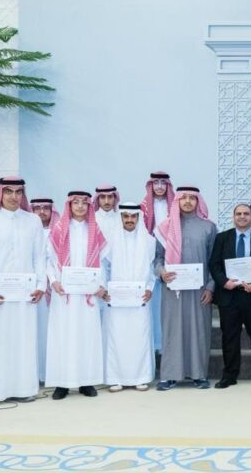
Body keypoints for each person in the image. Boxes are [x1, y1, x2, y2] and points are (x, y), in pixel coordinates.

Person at [0, 177, 47, 407]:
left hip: (25, 295)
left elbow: (39, 257)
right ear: (0, 194)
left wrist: (40, 285)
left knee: (22, 340)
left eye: (18, 192)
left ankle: (23, 389)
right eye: (9, 191)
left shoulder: (33, 221)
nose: (14, 196)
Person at [45, 191, 108, 400]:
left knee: (87, 336)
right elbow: (48, 261)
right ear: (69, 205)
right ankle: (62, 384)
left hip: (87, 296)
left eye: (84, 203)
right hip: (64, 294)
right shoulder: (58, 229)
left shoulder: (95, 230)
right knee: (63, 336)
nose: (80, 206)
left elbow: (103, 262)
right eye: (76, 203)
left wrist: (101, 285)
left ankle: (86, 382)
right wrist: (53, 281)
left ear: (89, 206)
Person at [154, 185, 218, 391]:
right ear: (177, 200)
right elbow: (157, 259)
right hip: (173, 289)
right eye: (184, 198)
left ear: (198, 201)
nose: (188, 201)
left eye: (192, 198)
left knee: (198, 330)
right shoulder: (164, 227)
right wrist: (162, 272)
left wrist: (210, 287)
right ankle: (169, 375)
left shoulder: (208, 227)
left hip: (200, 291)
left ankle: (199, 374)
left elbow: (214, 261)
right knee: (172, 331)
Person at [209, 203, 251, 389]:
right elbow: (214, 264)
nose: (242, 217)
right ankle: (229, 375)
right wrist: (224, 282)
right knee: (229, 338)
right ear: (233, 217)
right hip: (229, 296)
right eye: (238, 214)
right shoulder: (222, 238)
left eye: (246, 213)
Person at [100, 202, 156, 392]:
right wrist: (104, 288)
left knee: (140, 336)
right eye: (126, 216)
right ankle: (115, 378)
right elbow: (104, 267)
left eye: (133, 216)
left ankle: (141, 377)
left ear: (138, 218)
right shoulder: (110, 241)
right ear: (121, 218)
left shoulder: (149, 242)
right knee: (116, 337)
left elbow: (152, 271)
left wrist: (150, 289)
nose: (129, 220)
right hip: (115, 301)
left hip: (140, 300)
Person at [141, 171, 173, 352]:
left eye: (163, 183)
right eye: (156, 183)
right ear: (151, 185)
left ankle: (165, 344)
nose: (159, 187)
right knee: (152, 299)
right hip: (148, 255)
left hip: (170, 254)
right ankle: (153, 343)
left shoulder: (174, 205)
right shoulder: (143, 208)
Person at [30, 197, 59, 383]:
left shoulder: (59, 231)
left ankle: (50, 373)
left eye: (46, 208)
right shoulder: (28, 231)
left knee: (51, 332)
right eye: (37, 208)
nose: (42, 212)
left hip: (55, 291)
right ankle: (33, 374)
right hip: (31, 291)